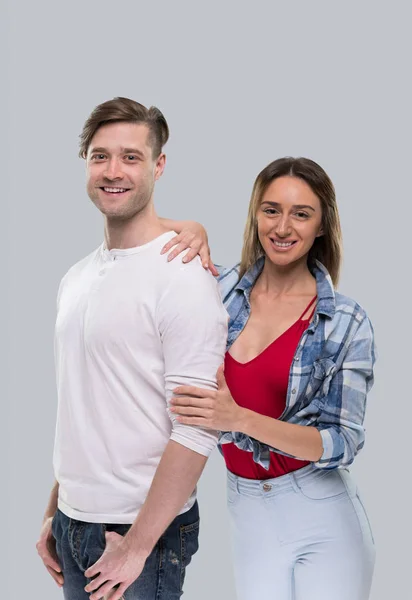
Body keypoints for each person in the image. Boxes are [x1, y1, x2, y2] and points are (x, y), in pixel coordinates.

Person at [35, 97, 228, 600]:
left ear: (159, 166)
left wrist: (138, 546)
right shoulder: (76, 277)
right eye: (100, 156)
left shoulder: (184, 278)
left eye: (131, 156)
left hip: (142, 534)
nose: (112, 171)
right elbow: (85, 405)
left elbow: (199, 425)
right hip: (74, 524)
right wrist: (58, 511)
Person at [162, 157, 376, 600]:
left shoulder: (346, 321)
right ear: (255, 213)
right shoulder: (216, 287)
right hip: (246, 512)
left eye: (301, 213)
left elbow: (342, 442)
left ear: (321, 225)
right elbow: (137, 228)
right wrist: (193, 226)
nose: (282, 227)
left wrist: (238, 418)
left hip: (322, 516)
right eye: (271, 209)